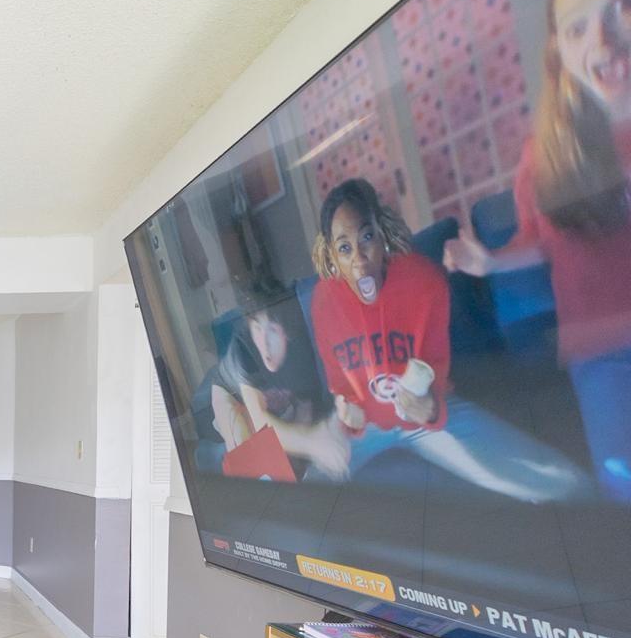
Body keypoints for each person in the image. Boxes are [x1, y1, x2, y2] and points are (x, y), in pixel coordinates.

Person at [444, 0, 631, 503]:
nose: (601, 38)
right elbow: (539, 239)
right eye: (577, 28)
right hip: (602, 354)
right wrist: (492, 261)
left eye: (620, 7)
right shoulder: (546, 153)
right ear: (560, 52)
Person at [310, 178, 588, 501]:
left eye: (366, 237)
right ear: (331, 255)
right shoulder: (323, 302)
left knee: (561, 482)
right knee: (307, 491)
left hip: (427, 410)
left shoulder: (425, 283)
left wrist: (429, 409)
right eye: (344, 248)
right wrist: (348, 411)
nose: (359, 259)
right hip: (366, 427)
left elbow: (435, 371)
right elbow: (340, 383)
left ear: (381, 233)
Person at [219, 297, 351, 478]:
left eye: (272, 330)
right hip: (229, 399)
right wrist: (314, 445)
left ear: (287, 334)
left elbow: (308, 407)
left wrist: (319, 439)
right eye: (257, 328)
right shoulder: (244, 350)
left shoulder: (302, 351)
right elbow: (260, 423)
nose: (264, 343)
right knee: (242, 442)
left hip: (281, 410)